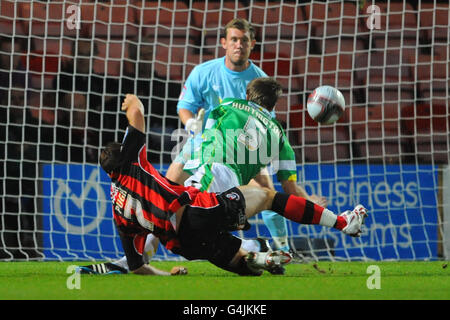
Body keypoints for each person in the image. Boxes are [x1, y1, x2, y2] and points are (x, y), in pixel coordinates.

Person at [78, 94, 367, 276]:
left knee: (243, 266)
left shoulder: (119, 210)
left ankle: (258, 254)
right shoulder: (138, 166)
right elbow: (138, 115)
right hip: (199, 203)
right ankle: (341, 223)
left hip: (184, 245)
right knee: (268, 197)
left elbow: (174, 173)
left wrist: (162, 273)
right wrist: (131, 102)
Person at [166, 18, 323, 257]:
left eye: (244, 40)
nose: (239, 45)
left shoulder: (259, 79)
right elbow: (184, 105)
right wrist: (190, 123)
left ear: (252, 44)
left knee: (266, 190)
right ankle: (150, 246)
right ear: (224, 43)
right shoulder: (204, 72)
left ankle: (283, 248)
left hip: (242, 147)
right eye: (234, 40)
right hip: (205, 139)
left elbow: (266, 123)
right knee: (170, 184)